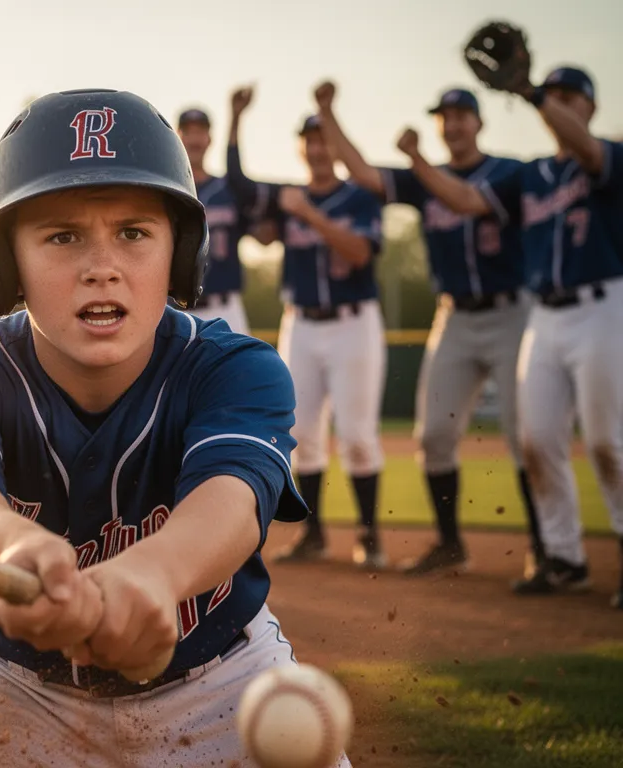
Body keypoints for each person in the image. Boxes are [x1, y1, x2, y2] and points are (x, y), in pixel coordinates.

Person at [0, 88, 352, 767]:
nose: (101, 265)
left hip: (225, 682)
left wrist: (155, 573)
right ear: (7, 263)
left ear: (181, 256)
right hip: (18, 687)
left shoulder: (234, 368)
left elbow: (233, 501)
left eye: (134, 233)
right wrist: (12, 545)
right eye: (62, 235)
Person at [392, 65, 622, 606]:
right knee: (539, 440)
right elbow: (469, 202)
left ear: (588, 108)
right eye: (555, 97)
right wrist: (419, 159)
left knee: (609, 443)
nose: (560, 106)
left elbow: (587, 152)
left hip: (603, 304)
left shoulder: (607, 155)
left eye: (570, 98)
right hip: (544, 313)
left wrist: (534, 92)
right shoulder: (531, 175)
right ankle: (564, 557)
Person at [313, 81, 543, 577]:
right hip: (454, 316)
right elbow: (363, 173)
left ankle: (547, 551)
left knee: (526, 435)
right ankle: (449, 543)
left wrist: (417, 159)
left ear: (479, 123)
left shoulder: (507, 172)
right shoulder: (424, 177)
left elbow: (463, 199)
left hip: (512, 312)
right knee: (434, 433)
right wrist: (328, 113)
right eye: (446, 116)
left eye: (462, 115)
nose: (453, 123)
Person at [227, 86, 388, 569]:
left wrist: (309, 214)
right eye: (309, 141)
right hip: (301, 322)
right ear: (301, 148)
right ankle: (314, 534)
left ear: (334, 148)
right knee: (303, 433)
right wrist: (235, 119)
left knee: (358, 434)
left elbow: (360, 254)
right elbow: (237, 185)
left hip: (353, 322)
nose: (317, 149)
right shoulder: (286, 198)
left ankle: (370, 534)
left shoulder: (360, 198)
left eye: (323, 141)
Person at [175, 106, 263, 334]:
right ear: (177, 137)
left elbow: (263, 235)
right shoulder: (167, 193)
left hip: (225, 308)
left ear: (209, 139)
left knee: (241, 370)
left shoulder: (228, 189)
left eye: (200, 132)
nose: (194, 139)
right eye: (188, 132)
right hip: (175, 310)